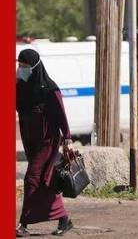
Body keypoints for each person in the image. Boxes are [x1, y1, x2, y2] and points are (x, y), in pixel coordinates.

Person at [16, 49, 75, 237]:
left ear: (35, 67)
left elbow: (61, 115)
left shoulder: (50, 88)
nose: (21, 69)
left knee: (31, 178)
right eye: (20, 65)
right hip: (30, 139)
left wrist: (68, 138)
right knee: (44, 181)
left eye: (25, 66)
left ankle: (23, 224)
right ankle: (64, 219)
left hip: (47, 140)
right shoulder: (21, 86)